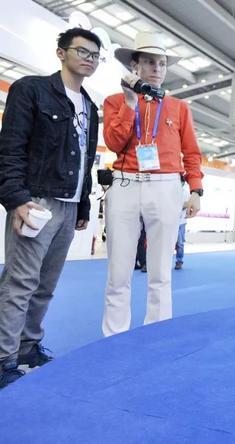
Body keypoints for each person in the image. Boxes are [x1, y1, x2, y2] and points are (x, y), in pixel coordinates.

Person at [0, 28, 101, 388]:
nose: (89, 59)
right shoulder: (31, 89)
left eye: (95, 55)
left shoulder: (90, 106)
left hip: (69, 205)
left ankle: (28, 347)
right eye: (82, 51)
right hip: (37, 200)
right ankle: (3, 358)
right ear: (61, 53)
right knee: (20, 282)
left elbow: (86, 160)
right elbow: (10, 147)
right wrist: (17, 199)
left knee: (46, 284)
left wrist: (83, 205)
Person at [102, 31, 203, 336]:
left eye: (161, 63)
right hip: (125, 184)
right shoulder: (114, 101)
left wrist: (195, 190)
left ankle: (157, 333)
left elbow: (191, 152)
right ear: (135, 65)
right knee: (118, 270)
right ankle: (114, 335)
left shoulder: (179, 108)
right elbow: (114, 143)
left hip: (166, 186)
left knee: (160, 270)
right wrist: (129, 103)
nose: (156, 68)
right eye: (149, 62)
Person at [175, 178, 191, 270]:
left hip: (181, 222)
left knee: (180, 243)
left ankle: (179, 261)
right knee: (167, 243)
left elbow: (188, 204)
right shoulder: (170, 191)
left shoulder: (186, 193)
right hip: (170, 221)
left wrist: (180, 206)